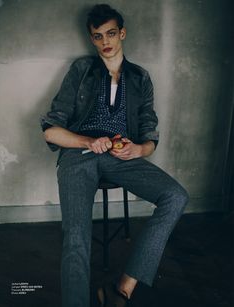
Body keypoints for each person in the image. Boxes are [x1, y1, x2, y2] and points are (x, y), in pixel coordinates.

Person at [41, 4, 189, 307]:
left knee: (175, 195)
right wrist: (87, 140)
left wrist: (139, 149)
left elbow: (150, 133)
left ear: (121, 33)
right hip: (78, 156)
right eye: (98, 36)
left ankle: (122, 287)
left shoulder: (139, 78)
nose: (105, 41)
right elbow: (50, 130)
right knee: (77, 235)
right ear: (92, 39)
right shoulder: (81, 70)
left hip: (121, 157)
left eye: (111, 33)